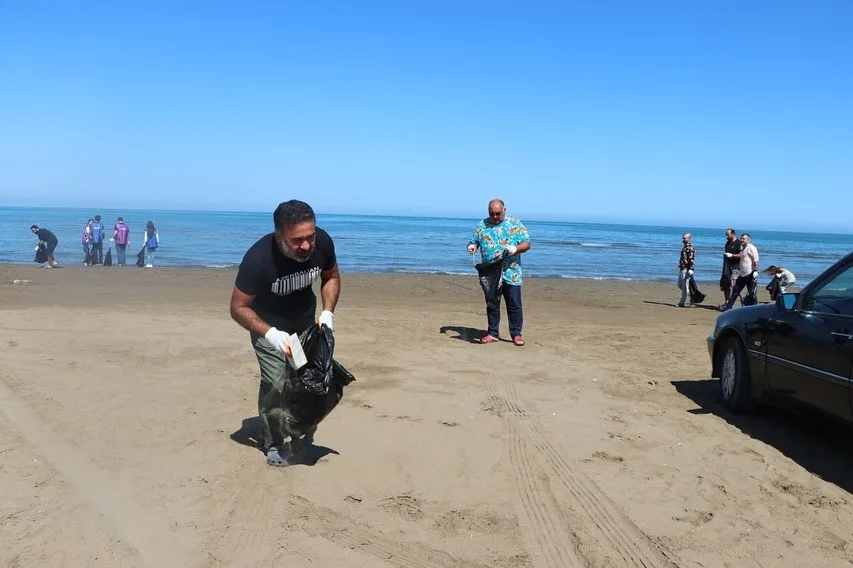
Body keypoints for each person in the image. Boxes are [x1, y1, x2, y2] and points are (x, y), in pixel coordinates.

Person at [229, 200, 340, 467]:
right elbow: (237, 308)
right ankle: (274, 443)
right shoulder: (258, 259)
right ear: (279, 236)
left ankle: (297, 427)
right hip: (267, 325)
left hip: (302, 324)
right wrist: (270, 334)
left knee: (301, 378)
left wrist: (327, 311)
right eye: (297, 240)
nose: (306, 246)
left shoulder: (322, 242)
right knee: (276, 382)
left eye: (310, 237)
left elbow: (331, 276)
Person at [467, 199, 531, 346]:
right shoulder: (481, 225)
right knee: (492, 303)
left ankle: (516, 334)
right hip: (490, 273)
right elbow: (473, 241)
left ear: (504, 210)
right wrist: (472, 246)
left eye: (498, 213)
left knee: (514, 304)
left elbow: (527, 243)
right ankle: (492, 333)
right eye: (492, 214)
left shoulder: (515, 223)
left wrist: (515, 249)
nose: (495, 217)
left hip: (511, 271)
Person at [719, 233, 760, 311]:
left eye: (743, 239)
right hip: (742, 274)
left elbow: (756, 261)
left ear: (748, 239)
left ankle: (754, 308)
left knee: (751, 292)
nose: (742, 240)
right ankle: (728, 306)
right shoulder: (743, 248)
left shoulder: (752, 248)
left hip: (750, 274)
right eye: (741, 238)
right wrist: (731, 255)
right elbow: (743, 258)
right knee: (736, 290)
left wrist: (755, 271)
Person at [720, 228, 742, 302]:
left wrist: (732, 255)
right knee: (725, 284)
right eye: (726, 234)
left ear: (733, 234)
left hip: (736, 266)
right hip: (727, 266)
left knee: (734, 285)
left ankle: (742, 299)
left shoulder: (738, 243)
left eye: (728, 234)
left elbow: (741, 255)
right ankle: (727, 302)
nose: (726, 236)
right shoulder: (728, 242)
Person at [676, 233, 695, 307]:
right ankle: (692, 296)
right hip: (682, 268)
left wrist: (691, 269)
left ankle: (682, 302)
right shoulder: (684, 247)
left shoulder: (690, 248)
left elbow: (691, 259)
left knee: (684, 286)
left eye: (685, 238)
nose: (683, 240)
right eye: (683, 238)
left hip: (686, 269)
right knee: (679, 285)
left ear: (689, 239)